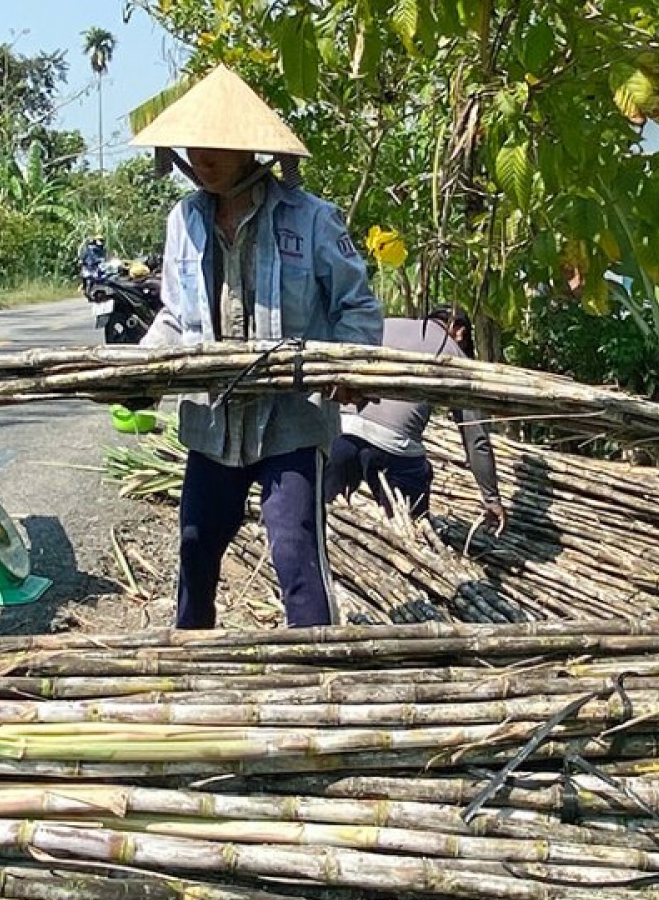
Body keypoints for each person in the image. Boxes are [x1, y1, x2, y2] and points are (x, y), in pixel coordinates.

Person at [126, 65, 384, 630]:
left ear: (250, 149)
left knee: (295, 555)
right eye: (194, 144)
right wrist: (142, 368)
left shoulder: (311, 218)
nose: (202, 156)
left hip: (290, 424)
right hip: (213, 426)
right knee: (196, 551)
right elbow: (175, 313)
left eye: (217, 144)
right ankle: (190, 671)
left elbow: (357, 308)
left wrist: (348, 365)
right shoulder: (183, 220)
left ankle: (316, 682)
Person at [326, 308, 507, 531]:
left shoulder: (383, 324)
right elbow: (475, 437)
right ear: (459, 331)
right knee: (412, 529)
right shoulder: (452, 353)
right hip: (395, 449)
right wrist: (491, 500)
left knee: (325, 516)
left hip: (342, 433)